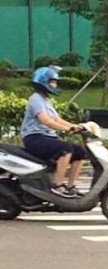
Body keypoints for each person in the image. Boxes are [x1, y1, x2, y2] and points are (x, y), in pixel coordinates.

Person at [20, 66, 85, 198]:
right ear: (43, 81)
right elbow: (46, 120)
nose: (55, 85)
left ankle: (70, 186)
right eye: (52, 82)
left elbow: (56, 119)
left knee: (80, 152)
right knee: (65, 149)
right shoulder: (35, 99)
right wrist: (67, 129)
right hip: (34, 138)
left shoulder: (46, 100)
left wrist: (75, 126)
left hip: (47, 137)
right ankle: (58, 186)